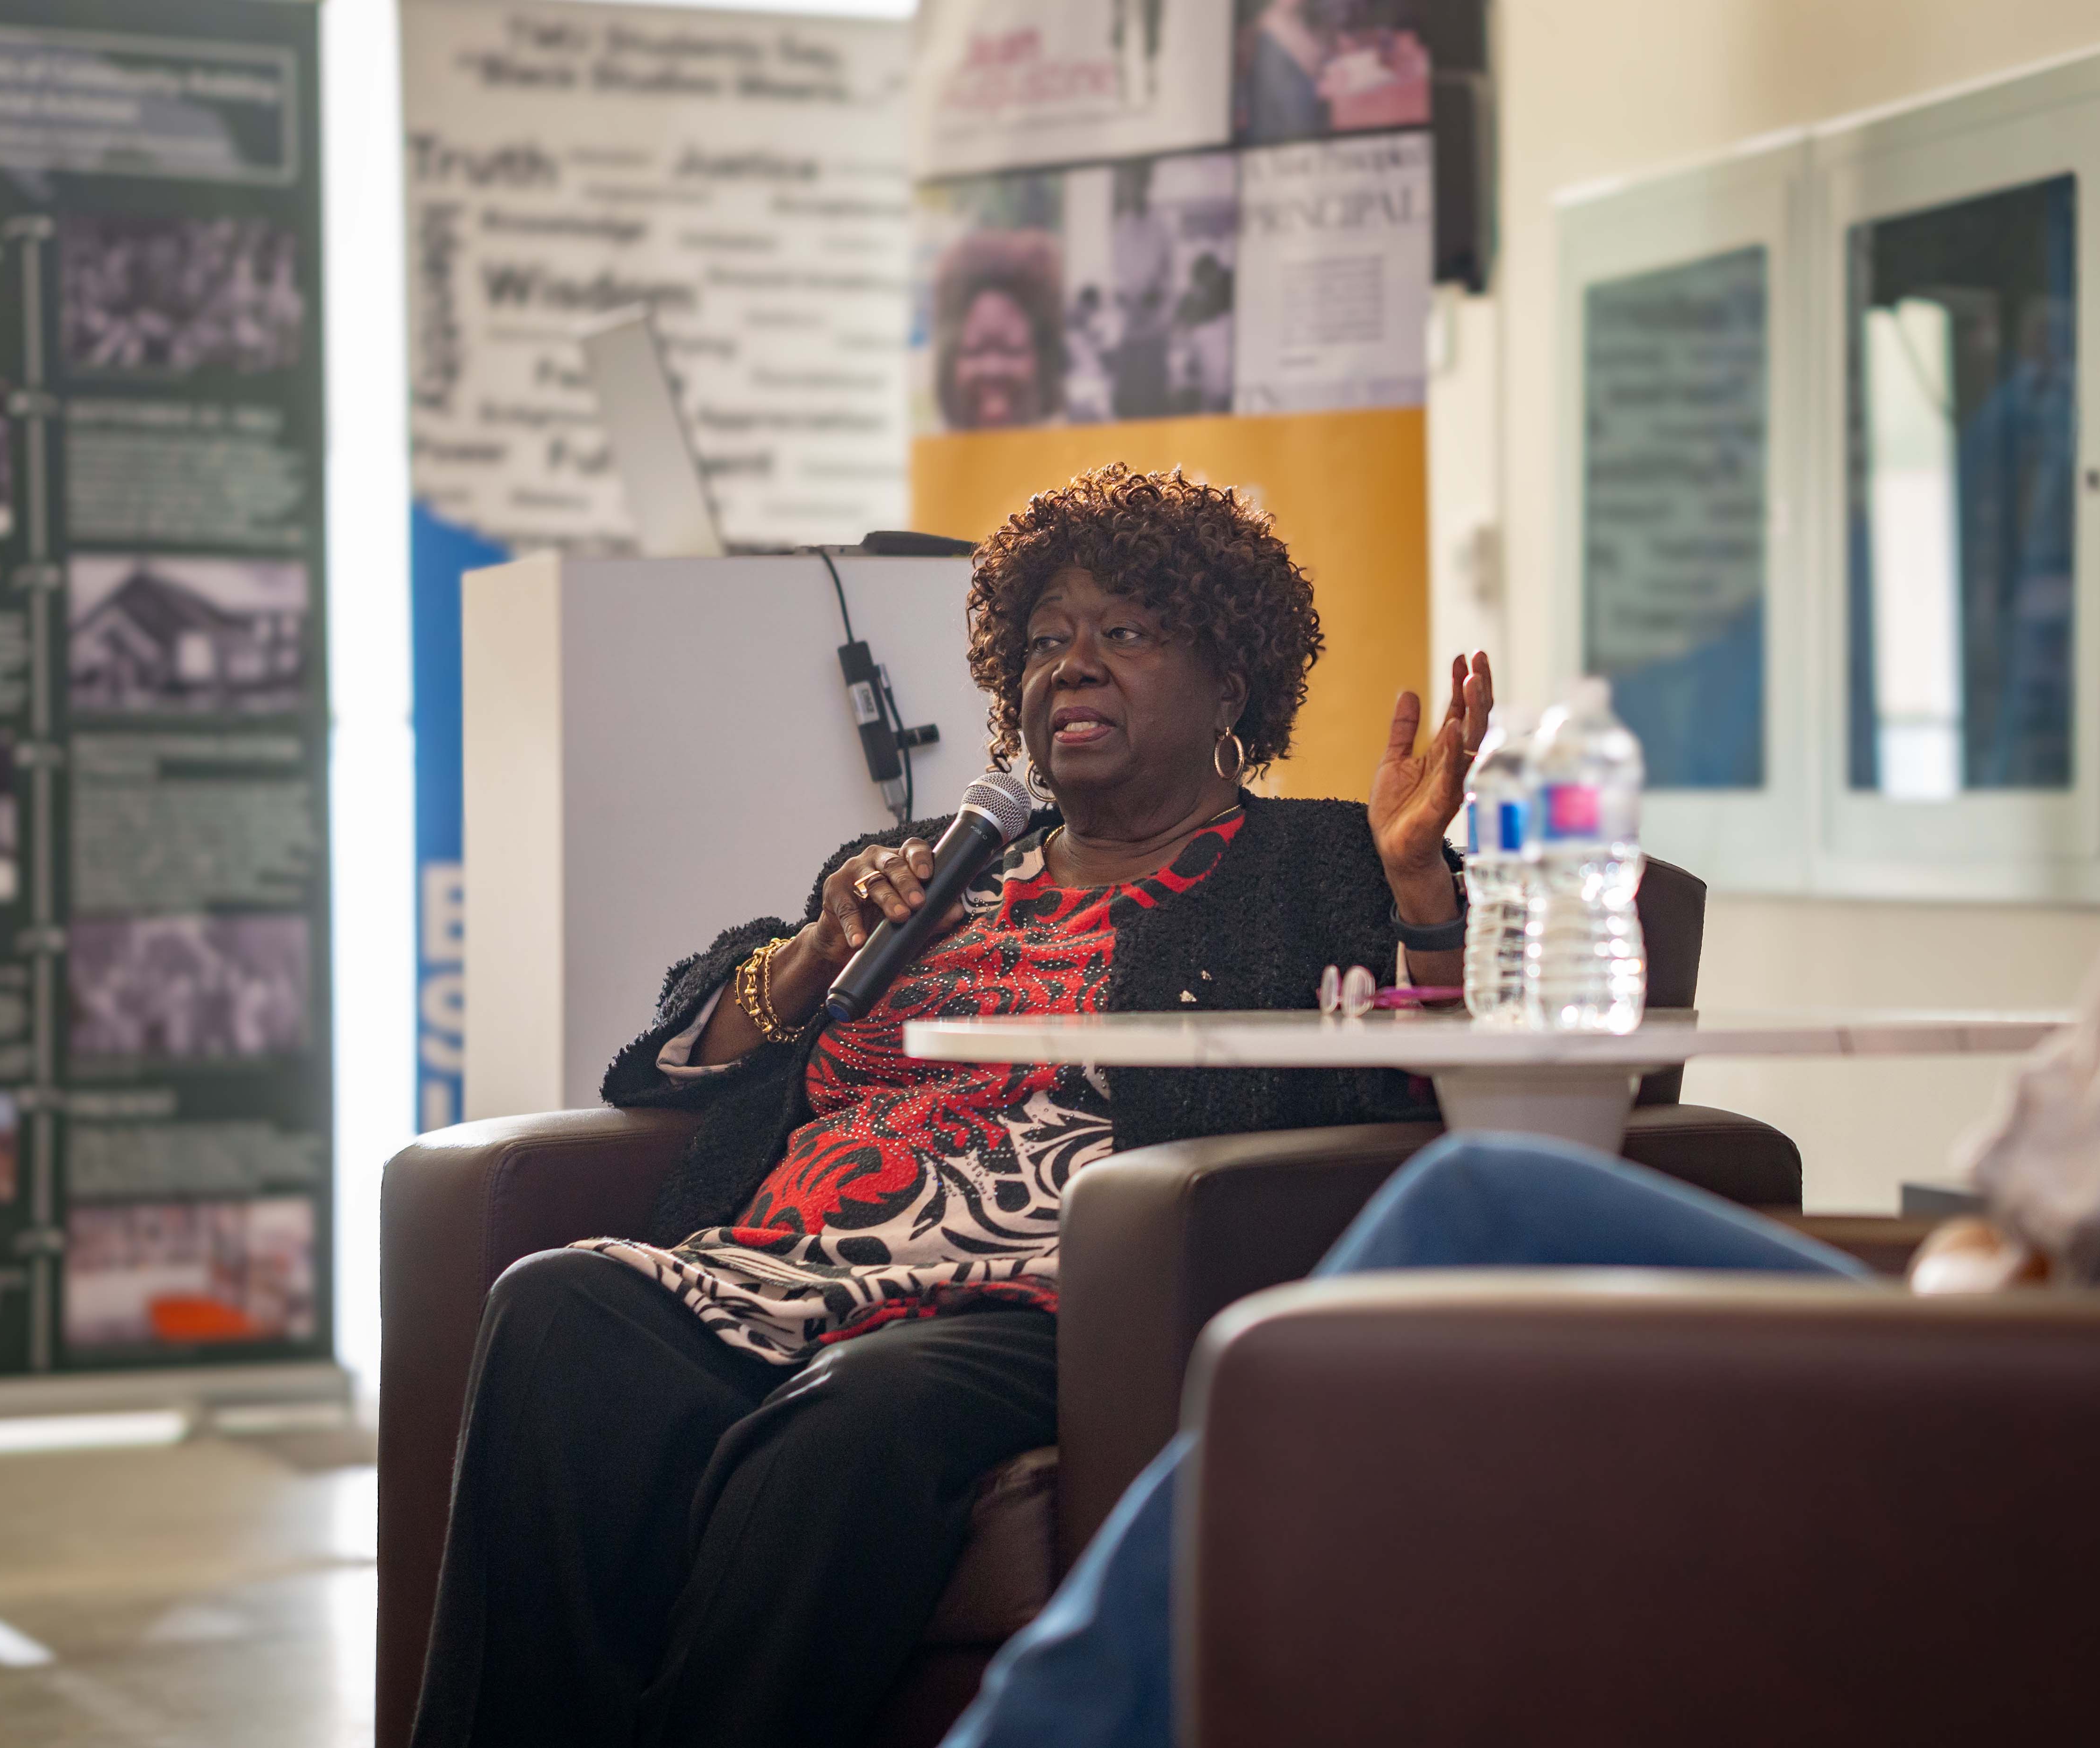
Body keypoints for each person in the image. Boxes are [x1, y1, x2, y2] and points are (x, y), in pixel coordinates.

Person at [945, 324, 2100, 1747]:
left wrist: (1938, 1268)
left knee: (1475, 1202)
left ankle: (1040, 1731)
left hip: (2065, 1447)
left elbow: (2025, 1261)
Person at [410, 462, 1498, 1748]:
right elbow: (667, 1061)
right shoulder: (929, 867)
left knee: (855, 1418)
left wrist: (1421, 898)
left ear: (1232, 681)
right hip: (778, 1266)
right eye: (1044, 642)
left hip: (1042, 1290)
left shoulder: (1316, 860)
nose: (1071, 667)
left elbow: (1452, 1086)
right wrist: (815, 948)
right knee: (555, 1307)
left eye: (1126, 633)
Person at [933, 230, 1066, 431]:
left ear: (1044, 364)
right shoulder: (920, 458)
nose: (993, 368)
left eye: (1011, 350)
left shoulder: (1082, 455)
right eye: (975, 351)